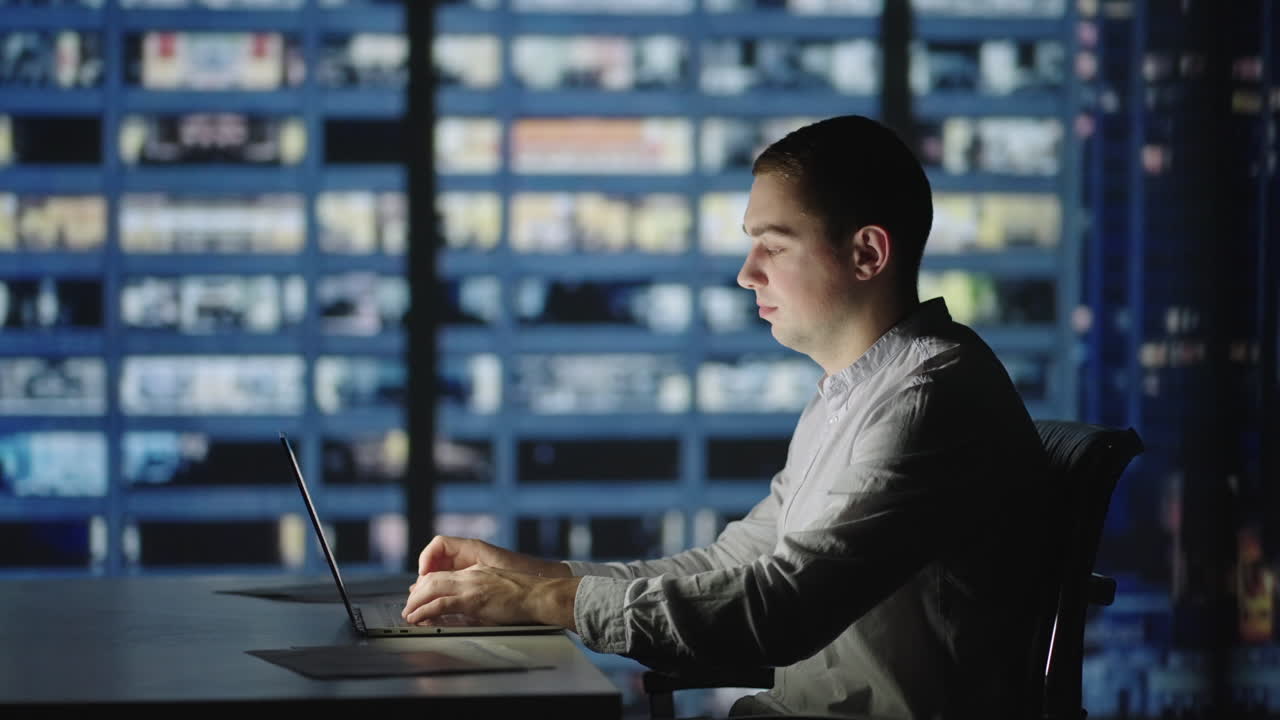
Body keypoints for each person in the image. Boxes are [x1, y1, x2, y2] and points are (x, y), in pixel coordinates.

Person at [402, 115, 1049, 719]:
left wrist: (543, 602)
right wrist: (526, 578)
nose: (746, 274)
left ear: (867, 254)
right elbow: (727, 567)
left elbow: (781, 609)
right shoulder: (857, 393)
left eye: (774, 246)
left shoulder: (924, 401)